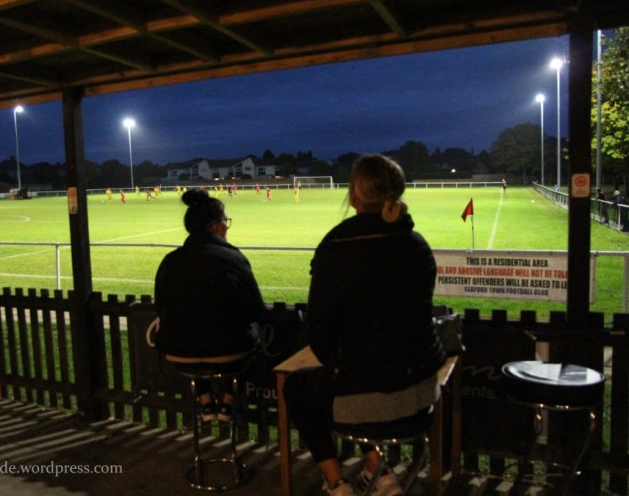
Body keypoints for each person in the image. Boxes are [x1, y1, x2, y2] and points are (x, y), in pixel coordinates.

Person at [283, 154, 446, 496]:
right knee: (356, 378)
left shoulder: (338, 247)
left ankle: (336, 482)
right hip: (423, 393)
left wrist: (342, 362)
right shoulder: (417, 245)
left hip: (368, 392)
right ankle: (378, 471)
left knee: (300, 387)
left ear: (355, 196)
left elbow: (320, 334)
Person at [155, 189, 265, 422]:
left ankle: (206, 403)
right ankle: (227, 402)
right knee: (251, 339)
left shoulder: (170, 260)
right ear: (214, 225)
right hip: (229, 350)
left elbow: (160, 306)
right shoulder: (233, 257)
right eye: (225, 221)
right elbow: (256, 308)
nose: (227, 226)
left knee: (196, 331)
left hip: (177, 352)